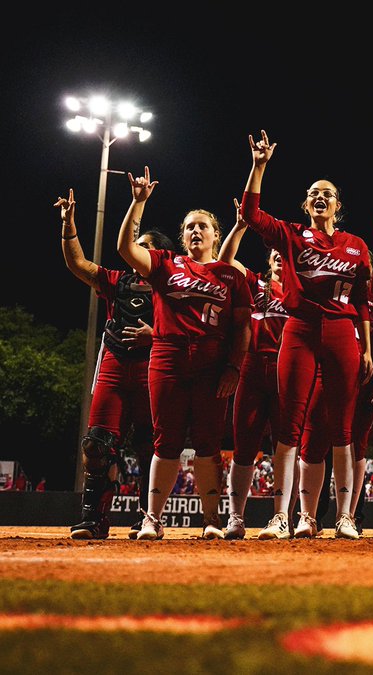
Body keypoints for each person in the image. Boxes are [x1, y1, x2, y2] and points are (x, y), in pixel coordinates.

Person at [241, 131, 373, 540]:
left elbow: (365, 302)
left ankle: (345, 517)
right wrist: (259, 166)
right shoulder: (292, 234)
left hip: (340, 331)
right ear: (306, 203)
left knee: (343, 426)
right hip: (299, 330)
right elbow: (251, 214)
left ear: (337, 205)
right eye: (314, 193)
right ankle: (286, 516)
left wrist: (367, 349)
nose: (320, 197)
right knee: (290, 423)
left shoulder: (356, 245)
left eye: (328, 194)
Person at [116, 167, 251, 540]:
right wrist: (138, 203)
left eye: (202, 226)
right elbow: (125, 250)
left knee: (209, 443)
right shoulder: (165, 264)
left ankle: (211, 519)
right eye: (189, 226)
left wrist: (234, 369)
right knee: (166, 440)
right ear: (181, 236)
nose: (195, 231)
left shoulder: (230, 275)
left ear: (215, 235)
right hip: (168, 358)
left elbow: (242, 328)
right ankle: (152, 519)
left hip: (211, 365)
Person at [58, 189, 172, 539]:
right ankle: (94, 520)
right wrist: (68, 226)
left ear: (162, 254)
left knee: (150, 447)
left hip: (153, 368)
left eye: (146, 245)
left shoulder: (172, 281)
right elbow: (77, 264)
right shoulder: (116, 280)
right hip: (114, 364)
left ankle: (147, 518)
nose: (138, 249)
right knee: (96, 444)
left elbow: (189, 329)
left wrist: (154, 336)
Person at [217, 200, 288, 539]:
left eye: (283, 253)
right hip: (251, 369)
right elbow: (225, 260)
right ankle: (236, 517)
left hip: (286, 372)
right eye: (274, 253)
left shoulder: (303, 291)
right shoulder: (255, 283)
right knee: (244, 445)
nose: (278, 256)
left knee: (287, 445)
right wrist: (241, 226)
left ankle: (281, 516)